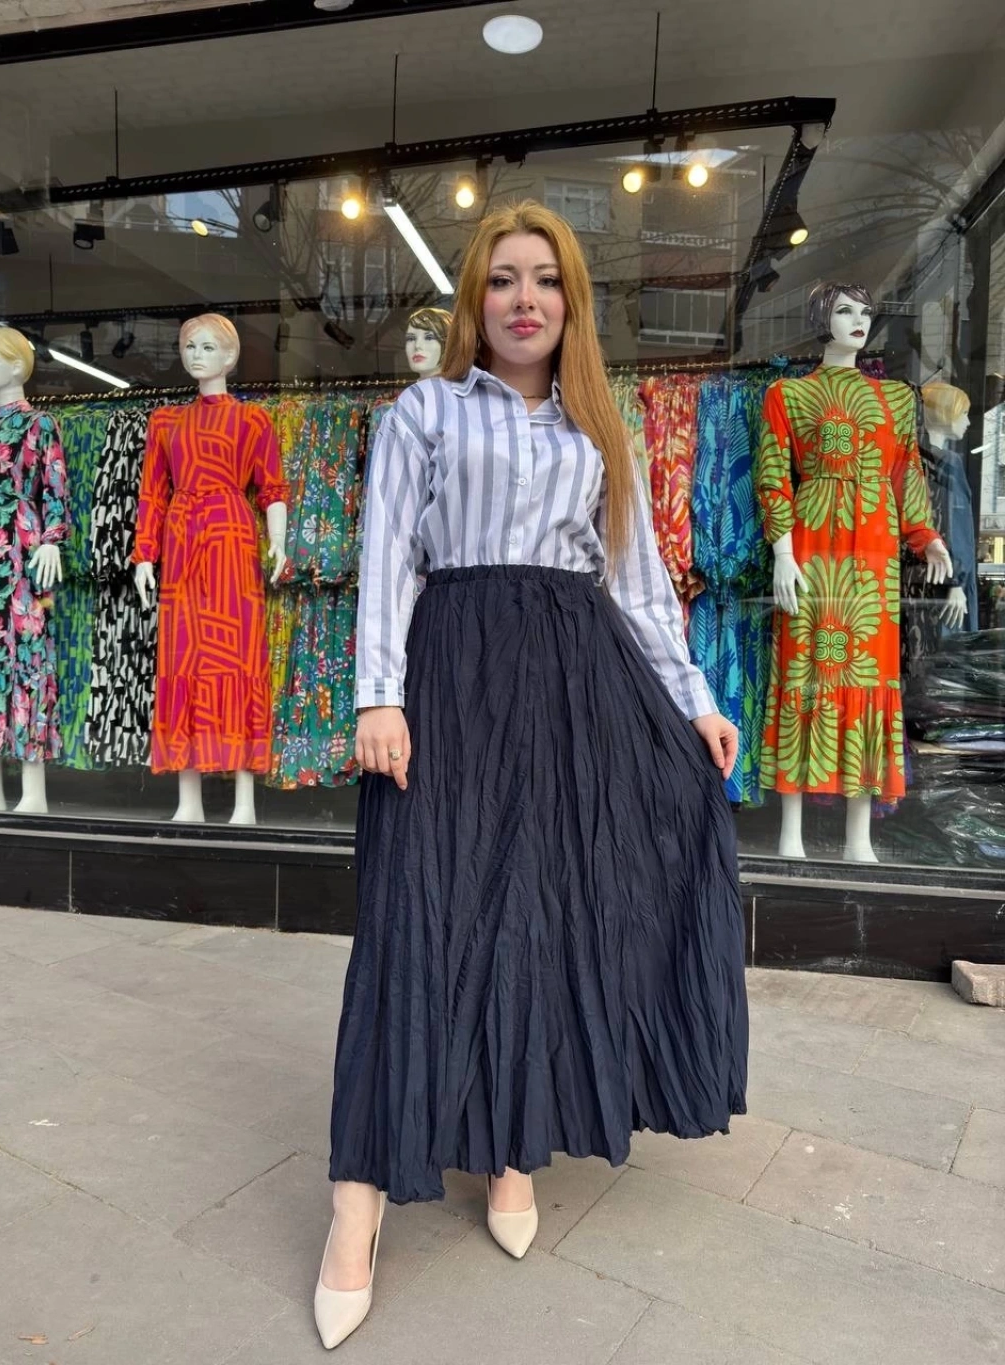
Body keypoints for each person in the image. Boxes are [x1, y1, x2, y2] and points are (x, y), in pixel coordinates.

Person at [314, 201, 749, 1350]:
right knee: (414, 916)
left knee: (540, 915)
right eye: (503, 277)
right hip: (450, 679)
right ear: (476, 295)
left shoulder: (599, 427)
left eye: (544, 280)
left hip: (569, 685)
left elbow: (636, 582)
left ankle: (512, 1151)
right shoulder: (423, 412)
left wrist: (695, 701)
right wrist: (377, 694)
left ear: (571, 302)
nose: (523, 298)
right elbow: (386, 557)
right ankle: (355, 1204)